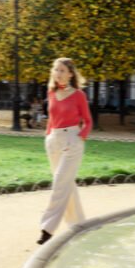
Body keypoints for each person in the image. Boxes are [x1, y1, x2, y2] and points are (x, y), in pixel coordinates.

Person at [37, 57, 93, 245]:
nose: (58, 73)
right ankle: (79, 225)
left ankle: (47, 229)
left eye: (62, 70)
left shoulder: (78, 95)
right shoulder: (51, 92)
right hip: (54, 141)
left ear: (70, 74)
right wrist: (48, 136)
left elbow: (88, 121)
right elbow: (52, 119)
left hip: (72, 141)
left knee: (60, 183)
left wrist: (79, 138)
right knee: (66, 184)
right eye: (56, 69)